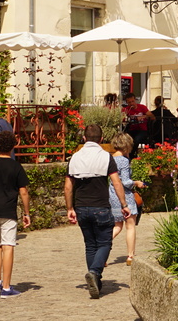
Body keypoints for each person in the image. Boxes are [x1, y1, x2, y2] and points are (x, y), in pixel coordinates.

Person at [65, 124, 130, 299]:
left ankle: (96, 280)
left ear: (84, 138)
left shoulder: (75, 158)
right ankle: (94, 272)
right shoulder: (106, 157)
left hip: (81, 207)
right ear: (101, 139)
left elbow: (68, 186)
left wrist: (69, 208)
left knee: (90, 245)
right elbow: (117, 182)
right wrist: (124, 204)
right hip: (101, 206)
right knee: (105, 243)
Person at [0, 129, 30, 298]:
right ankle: (7, 288)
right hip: (8, 211)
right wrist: (27, 212)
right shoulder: (16, 166)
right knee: (8, 246)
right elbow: (23, 192)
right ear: (13, 146)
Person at [108, 132, 145, 266]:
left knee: (117, 226)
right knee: (130, 226)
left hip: (112, 195)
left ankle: (102, 253)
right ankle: (130, 256)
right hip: (125, 196)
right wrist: (137, 183)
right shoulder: (123, 161)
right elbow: (126, 182)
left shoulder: (110, 158)